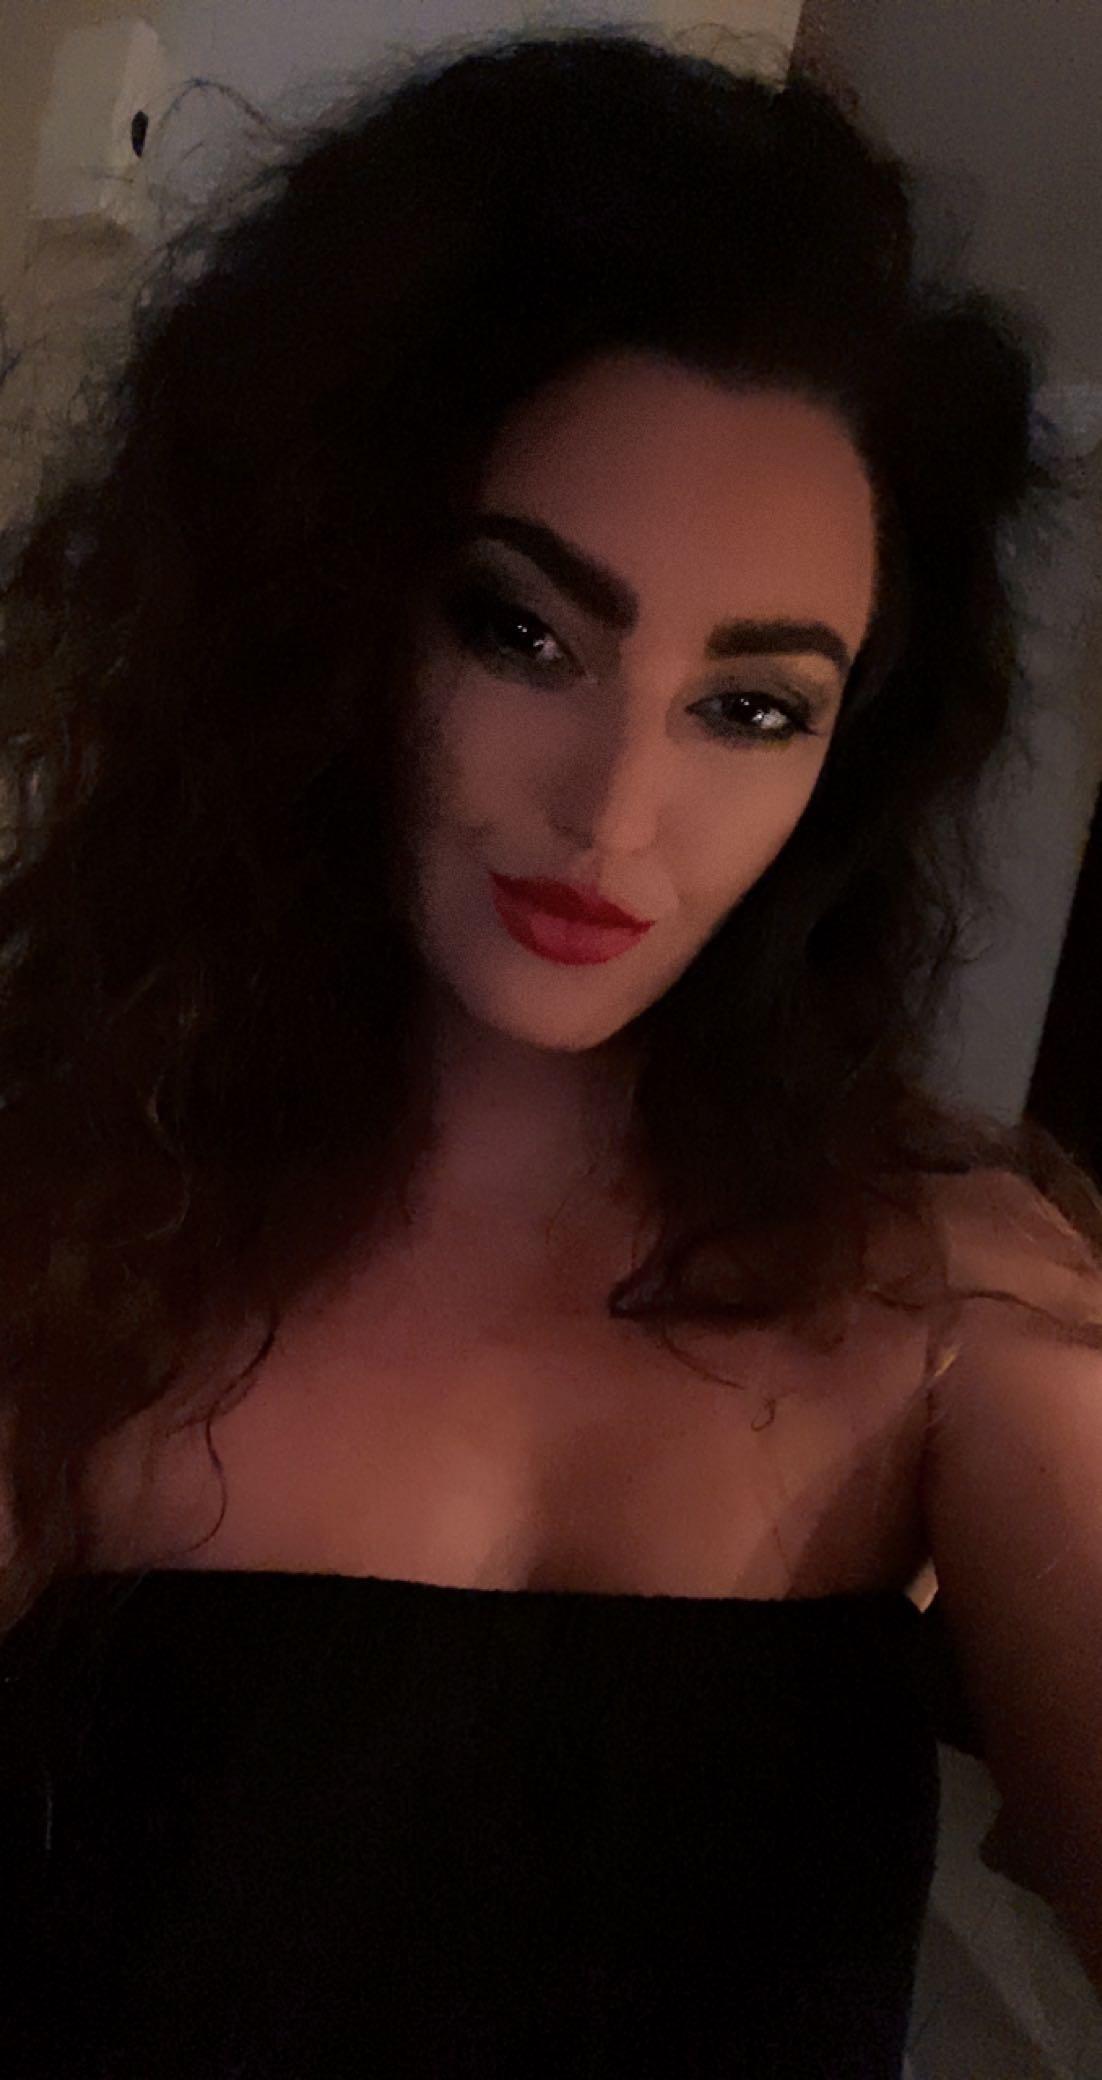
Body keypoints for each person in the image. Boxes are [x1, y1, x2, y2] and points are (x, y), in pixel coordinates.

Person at [1, 24, 1100, 2076]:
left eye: (749, 708)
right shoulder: (61, 1239)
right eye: (520, 631)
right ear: (327, 601)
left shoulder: (940, 1301)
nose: (614, 811)